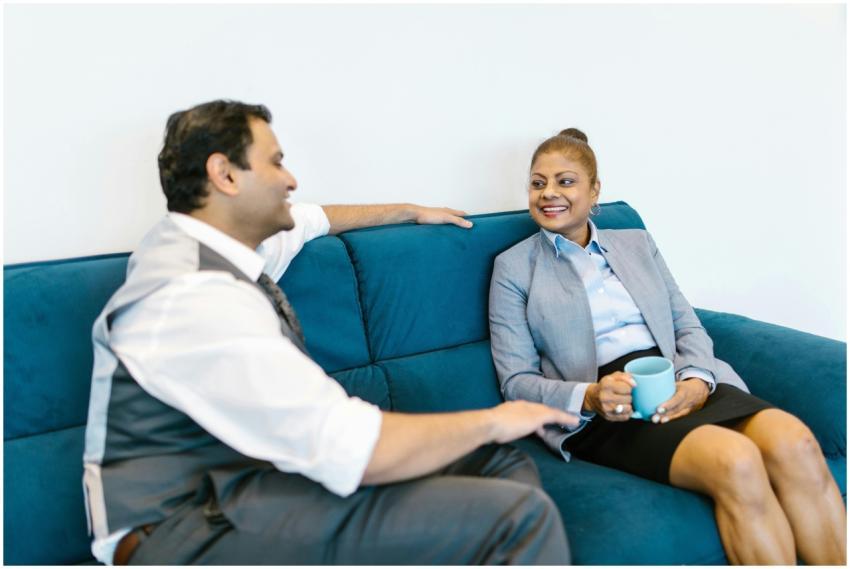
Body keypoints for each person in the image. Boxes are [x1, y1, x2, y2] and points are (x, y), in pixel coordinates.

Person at [82, 100, 577, 565]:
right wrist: (494, 418)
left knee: (497, 464)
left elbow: (312, 220)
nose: (291, 179)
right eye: (276, 162)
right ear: (225, 174)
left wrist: (409, 210)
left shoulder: (209, 242)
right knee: (519, 516)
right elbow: (349, 448)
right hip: (181, 531)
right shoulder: (192, 296)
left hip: (251, 488)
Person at [488, 128, 846, 565]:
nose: (548, 193)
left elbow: (686, 324)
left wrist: (697, 379)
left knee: (797, 443)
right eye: (538, 182)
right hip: (608, 409)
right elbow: (516, 381)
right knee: (736, 461)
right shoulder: (513, 268)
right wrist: (593, 397)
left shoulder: (636, 243)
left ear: (595, 189)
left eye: (565, 181)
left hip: (677, 380)